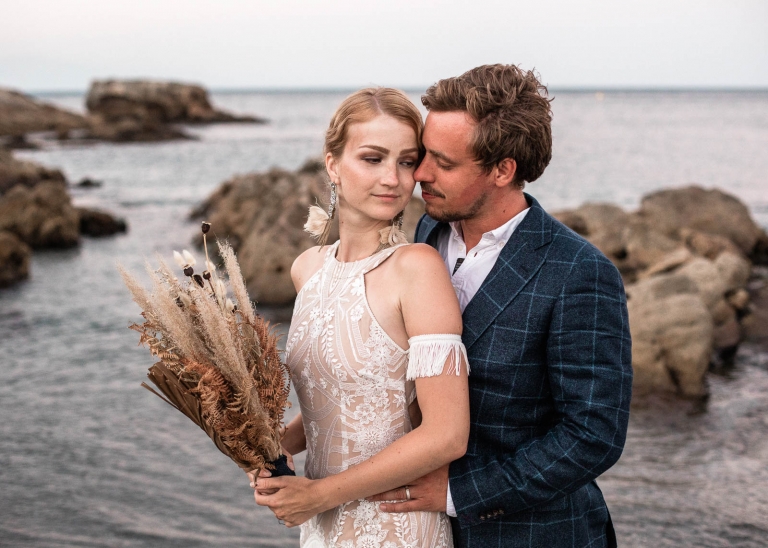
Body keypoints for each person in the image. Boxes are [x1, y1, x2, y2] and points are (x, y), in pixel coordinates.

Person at [368, 65, 633, 548]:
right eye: (424, 154)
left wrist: (458, 494)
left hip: (537, 535)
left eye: (443, 164)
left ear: (502, 170)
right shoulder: (427, 233)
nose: (421, 174)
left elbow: (593, 434)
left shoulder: (579, 272)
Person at [250, 88, 470, 548]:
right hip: (322, 528)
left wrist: (319, 495)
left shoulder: (417, 268)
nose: (393, 178)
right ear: (333, 164)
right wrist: (270, 446)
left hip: (395, 527)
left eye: (407, 161)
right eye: (373, 158)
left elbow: (447, 435)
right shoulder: (307, 268)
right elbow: (339, 404)